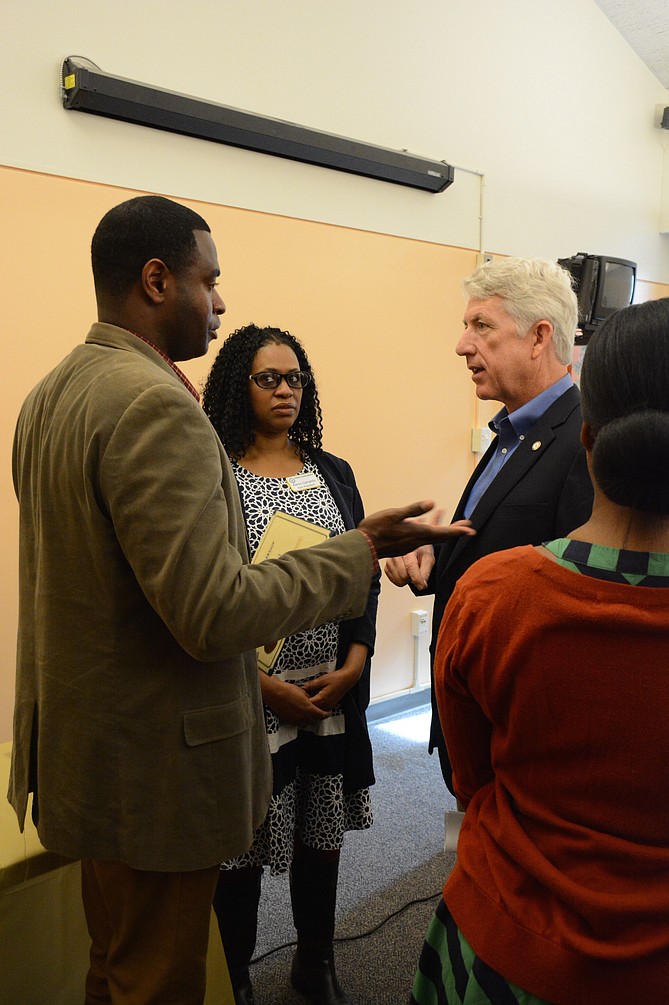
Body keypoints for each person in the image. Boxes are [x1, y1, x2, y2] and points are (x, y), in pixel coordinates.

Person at [8, 195, 476, 1005]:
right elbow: (213, 612)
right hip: (153, 773)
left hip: (89, 757)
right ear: (157, 280)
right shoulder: (157, 407)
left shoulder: (55, 391)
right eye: (209, 280)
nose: (220, 302)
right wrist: (359, 549)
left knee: (113, 965)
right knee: (156, 982)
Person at [410, 296, 669, 1004]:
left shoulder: (495, 594)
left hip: (503, 950)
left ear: (585, 436)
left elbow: (473, 782)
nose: (465, 344)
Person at [202, 324, 378, 1005]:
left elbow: (363, 573)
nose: (285, 390)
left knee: (321, 833)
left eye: (295, 378)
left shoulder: (332, 471)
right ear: (237, 387)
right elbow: (206, 596)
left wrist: (357, 660)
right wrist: (262, 686)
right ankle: (236, 974)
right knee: (240, 848)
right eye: (268, 378)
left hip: (330, 695)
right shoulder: (217, 472)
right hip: (250, 698)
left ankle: (315, 960)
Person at [385, 257, 593, 792]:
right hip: (471, 701)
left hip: (521, 721)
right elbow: (491, 552)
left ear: (539, 337)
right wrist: (434, 559)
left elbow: (573, 596)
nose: (461, 344)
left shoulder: (581, 443)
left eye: (481, 326)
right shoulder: (510, 430)